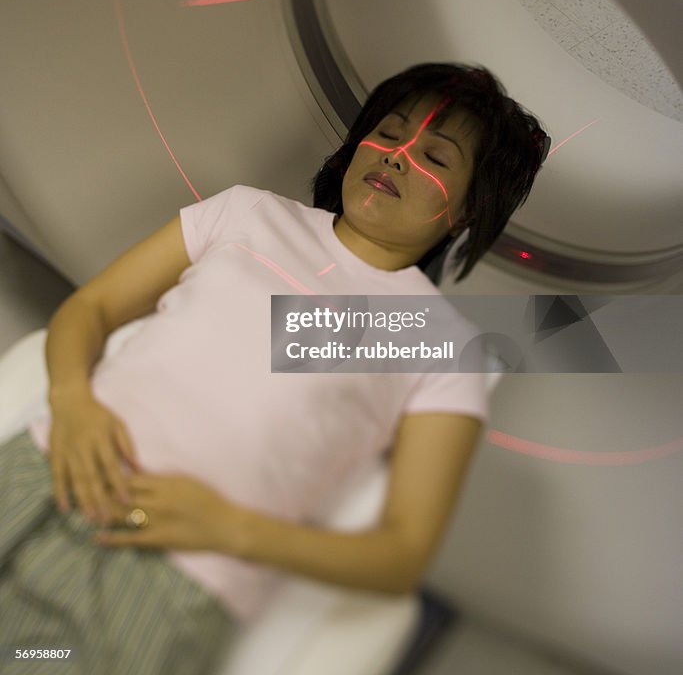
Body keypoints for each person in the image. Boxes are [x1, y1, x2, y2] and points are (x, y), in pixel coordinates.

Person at [0, 62, 549, 675]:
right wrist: (73, 403)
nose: (397, 157)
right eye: (389, 134)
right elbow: (91, 309)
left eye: (437, 158)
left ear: (469, 211)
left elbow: (401, 553)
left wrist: (230, 529)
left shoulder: (437, 342)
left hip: (165, 567)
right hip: (41, 467)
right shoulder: (244, 215)